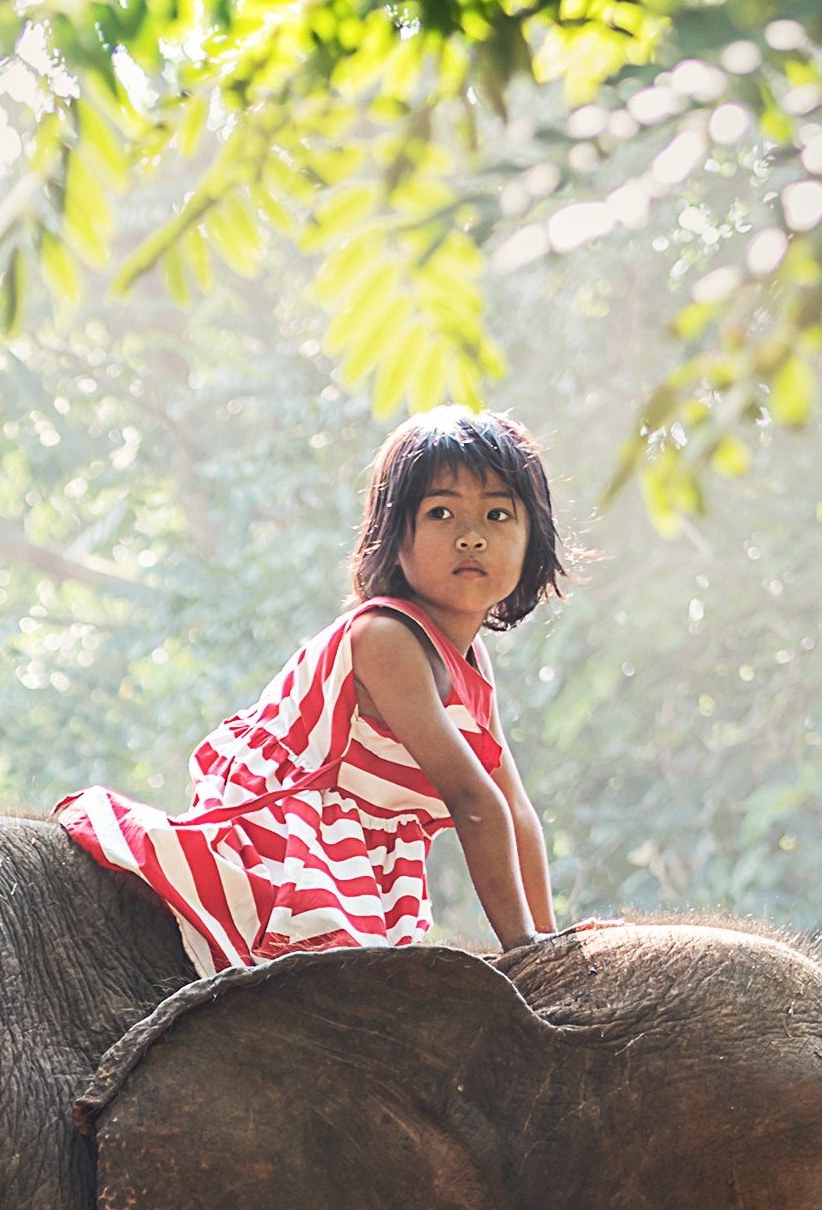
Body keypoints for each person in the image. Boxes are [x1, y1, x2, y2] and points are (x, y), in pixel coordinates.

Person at [59, 404, 566, 967]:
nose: (472, 537)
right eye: (442, 513)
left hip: (359, 852)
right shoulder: (387, 638)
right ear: (394, 538)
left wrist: (553, 942)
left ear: (532, 540)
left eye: (498, 516)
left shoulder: (472, 658)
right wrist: (524, 949)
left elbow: (513, 803)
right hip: (285, 830)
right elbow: (473, 801)